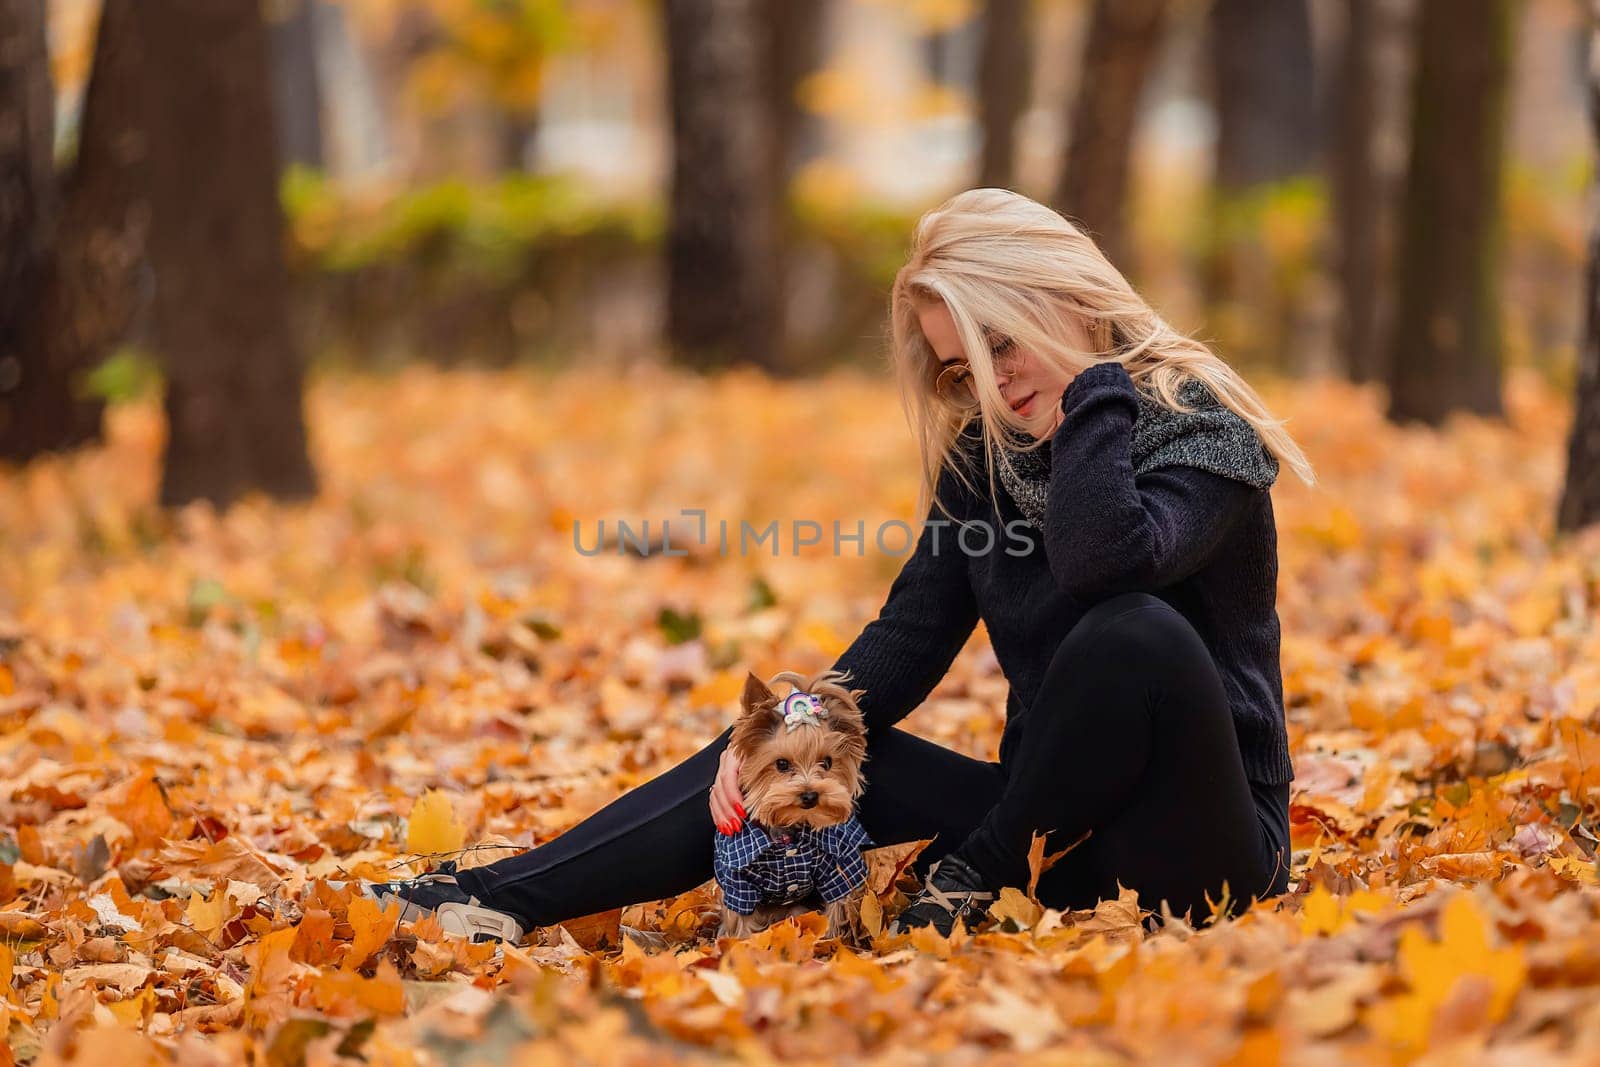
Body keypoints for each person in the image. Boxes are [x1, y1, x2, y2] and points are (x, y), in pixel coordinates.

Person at [363, 187, 1316, 942]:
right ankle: (500, 896)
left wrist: (1097, 388)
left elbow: (1108, 560)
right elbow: (905, 642)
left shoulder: (1201, 433)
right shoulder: (986, 459)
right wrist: (784, 728)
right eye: (959, 367)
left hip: (1205, 848)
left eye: (1001, 340)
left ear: (1063, 298)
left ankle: (969, 874)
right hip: (1055, 837)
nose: (992, 379)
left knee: (1135, 631)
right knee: (798, 733)